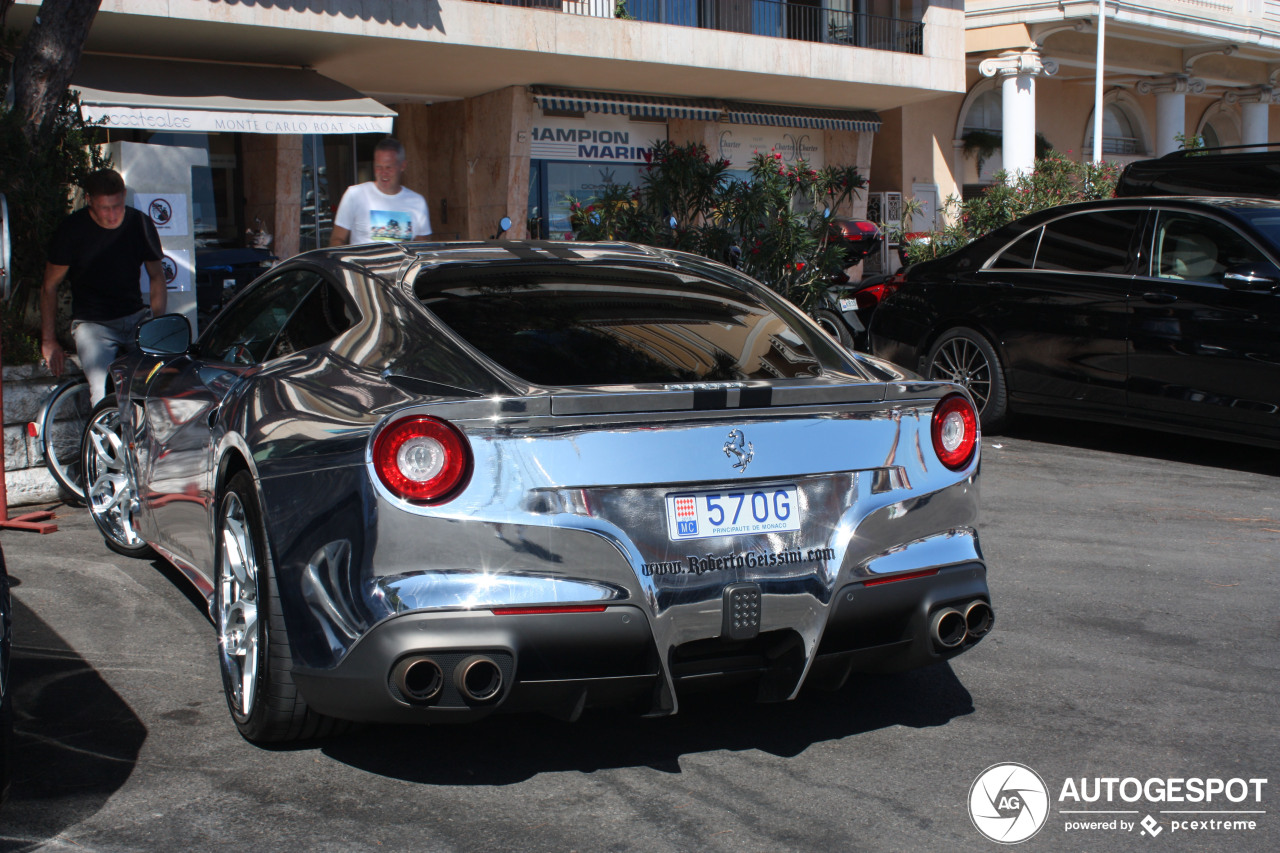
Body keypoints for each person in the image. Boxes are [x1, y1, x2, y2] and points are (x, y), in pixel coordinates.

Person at [42, 169, 166, 404]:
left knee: (157, 383)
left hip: (135, 317)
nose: (112, 214)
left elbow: (157, 276)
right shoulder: (72, 230)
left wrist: (157, 323)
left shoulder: (139, 223)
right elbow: (49, 286)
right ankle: (107, 439)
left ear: (124, 195)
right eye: (104, 208)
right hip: (93, 325)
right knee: (101, 390)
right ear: (89, 200)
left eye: (117, 205)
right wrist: (49, 341)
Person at [329, 137, 432, 246]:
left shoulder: (417, 202)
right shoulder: (355, 194)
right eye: (379, 167)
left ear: (402, 166)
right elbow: (337, 239)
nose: (383, 173)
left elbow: (423, 248)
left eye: (389, 167)